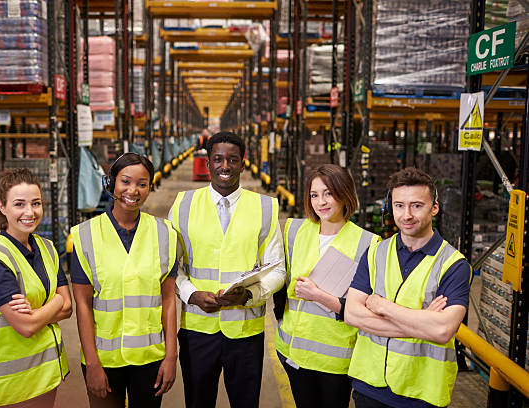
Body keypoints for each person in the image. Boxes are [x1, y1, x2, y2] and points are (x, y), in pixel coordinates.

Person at [169, 131, 285, 408]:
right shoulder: (182, 205)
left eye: (232, 160)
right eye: (218, 159)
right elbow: (172, 268)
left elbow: (277, 271)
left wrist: (250, 296)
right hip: (198, 329)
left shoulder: (265, 207)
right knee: (198, 402)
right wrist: (192, 295)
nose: (225, 166)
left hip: (245, 331)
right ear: (207, 163)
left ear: (243, 164)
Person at [345, 167, 471, 408]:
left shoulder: (453, 265)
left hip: (421, 393)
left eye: (416, 205)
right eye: (399, 205)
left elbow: (443, 330)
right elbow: (352, 314)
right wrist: (423, 321)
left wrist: (382, 306)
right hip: (369, 385)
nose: (406, 215)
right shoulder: (375, 253)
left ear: (434, 208)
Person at [71, 153, 178, 408]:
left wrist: (171, 356)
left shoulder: (165, 234)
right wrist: (92, 364)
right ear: (111, 184)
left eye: (142, 184)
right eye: (126, 182)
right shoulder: (85, 236)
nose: (133, 190)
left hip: (150, 359)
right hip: (104, 361)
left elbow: (168, 299)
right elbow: (83, 306)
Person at [273, 164, 380, 408]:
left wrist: (318, 295)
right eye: (314, 195)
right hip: (293, 351)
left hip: (336, 358)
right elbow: (283, 280)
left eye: (328, 193)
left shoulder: (368, 243)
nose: (321, 202)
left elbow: (365, 308)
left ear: (345, 194)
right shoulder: (296, 231)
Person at [0, 168, 72, 407]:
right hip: (11, 382)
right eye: (19, 204)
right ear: (2, 207)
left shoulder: (47, 248)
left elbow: (68, 308)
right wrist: (54, 302)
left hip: (46, 373)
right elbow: (26, 326)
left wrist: (40, 312)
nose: (29, 212)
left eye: (36, 203)